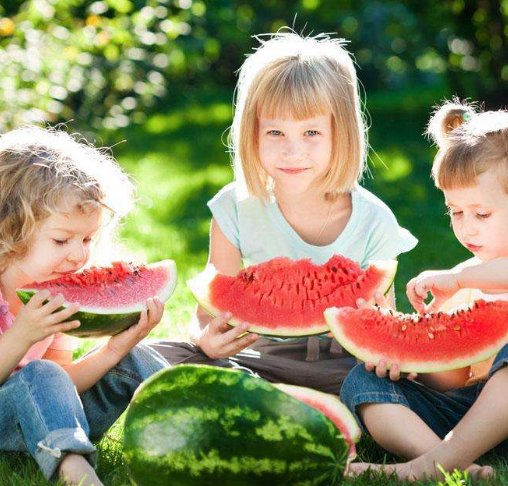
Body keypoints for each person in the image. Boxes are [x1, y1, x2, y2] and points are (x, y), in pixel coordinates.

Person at [340, 98, 508, 480]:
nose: (466, 227)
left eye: (481, 214)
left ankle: (429, 466)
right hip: (470, 421)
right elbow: (455, 376)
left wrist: (462, 279)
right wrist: (410, 363)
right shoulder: (463, 278)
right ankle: (452, 461)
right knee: (361, 382)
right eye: (455, 212)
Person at [153, 31, 417, 394]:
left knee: (396, 382)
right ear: (252, 133)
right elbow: (206, 314)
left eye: (311, 132)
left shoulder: (374, 221)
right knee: (154, 355)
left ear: (341, 135)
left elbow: (381, 322)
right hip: (258, 360)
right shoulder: (233, 207)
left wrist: (386, 351)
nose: (293, 151)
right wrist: (205, 340)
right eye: (275, 132)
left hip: (346, 367)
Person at [0, 127, 168, 486]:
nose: (80, 254)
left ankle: (201, 429)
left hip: (46, 420)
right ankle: (75, 471)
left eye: (87, 238)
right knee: (39, 374)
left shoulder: (55, 295)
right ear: (9, 229)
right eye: (62, 239)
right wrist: (23, 335)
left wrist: (113, 352)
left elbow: (62, 383)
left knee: (134, 357)